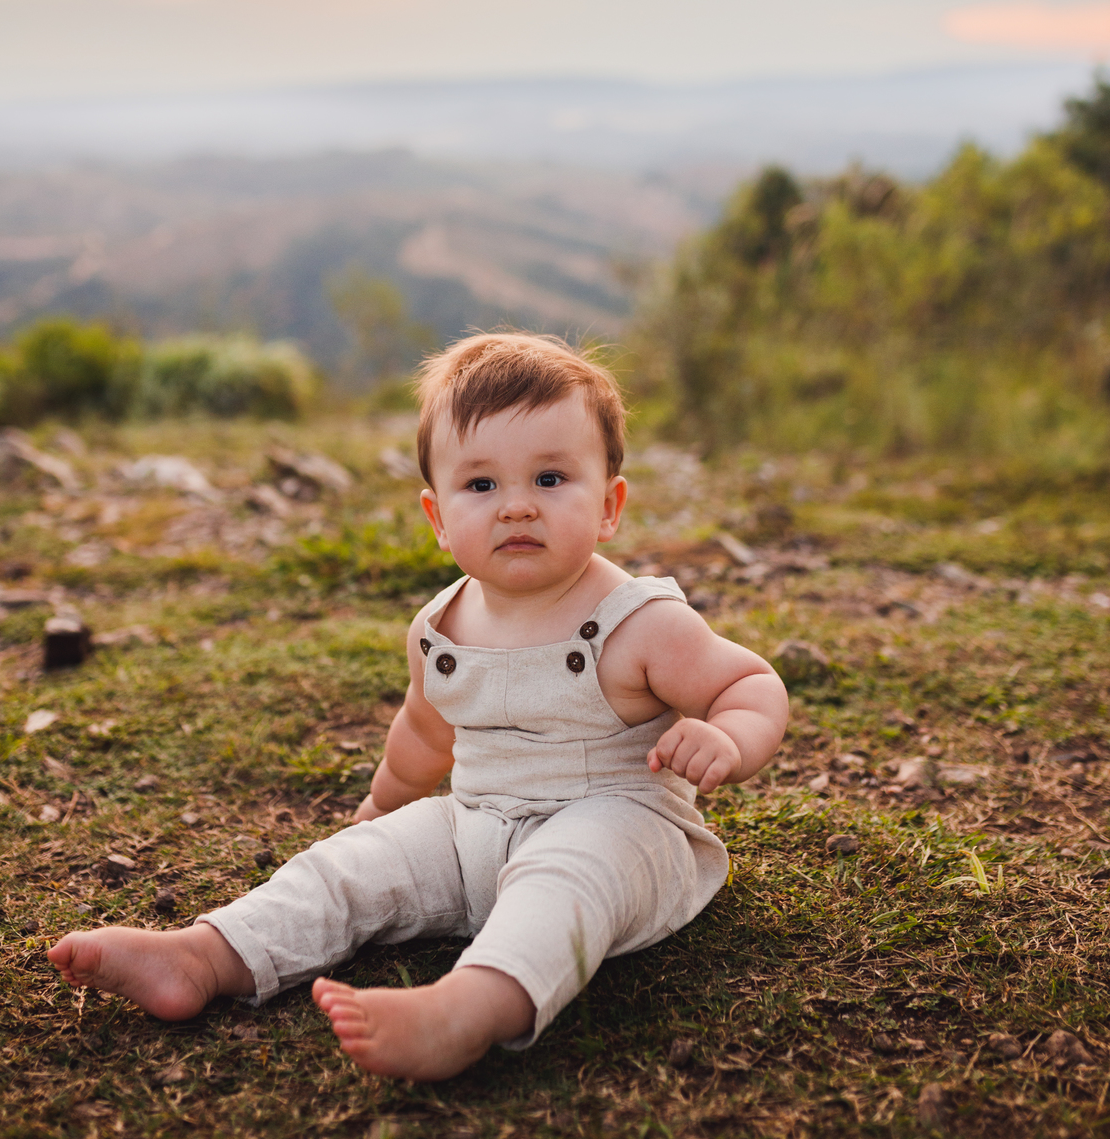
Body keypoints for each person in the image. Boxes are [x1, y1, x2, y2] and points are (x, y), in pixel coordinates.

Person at [48, 333, 788, 1080]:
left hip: (624, 832)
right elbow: (424, 732)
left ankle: (469, 1008)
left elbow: (749, 685)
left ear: (609, 505)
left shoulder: (641, 622)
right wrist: (381, 805)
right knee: (348, 868)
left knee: (566, 876)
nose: (517, 507)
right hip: (475, 828)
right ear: (437, 518)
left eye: (552, 477)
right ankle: (208, 955)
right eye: (482, 486)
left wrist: (728, 737)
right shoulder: (440, 629)